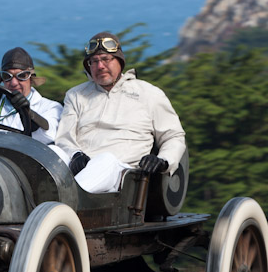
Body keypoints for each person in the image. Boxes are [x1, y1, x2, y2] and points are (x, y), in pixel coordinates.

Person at [54, 32, 185, 193]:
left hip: (122, 173)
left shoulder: (149, 93)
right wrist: (75, 155)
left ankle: (61, 202)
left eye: (106, 59)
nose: (100, 66)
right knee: (53, 152)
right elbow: (64, 138)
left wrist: (163, 160)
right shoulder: (76, 95)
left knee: (105, 160)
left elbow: (173, 136)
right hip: (81, 168)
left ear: (120, 61)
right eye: (94, 61)